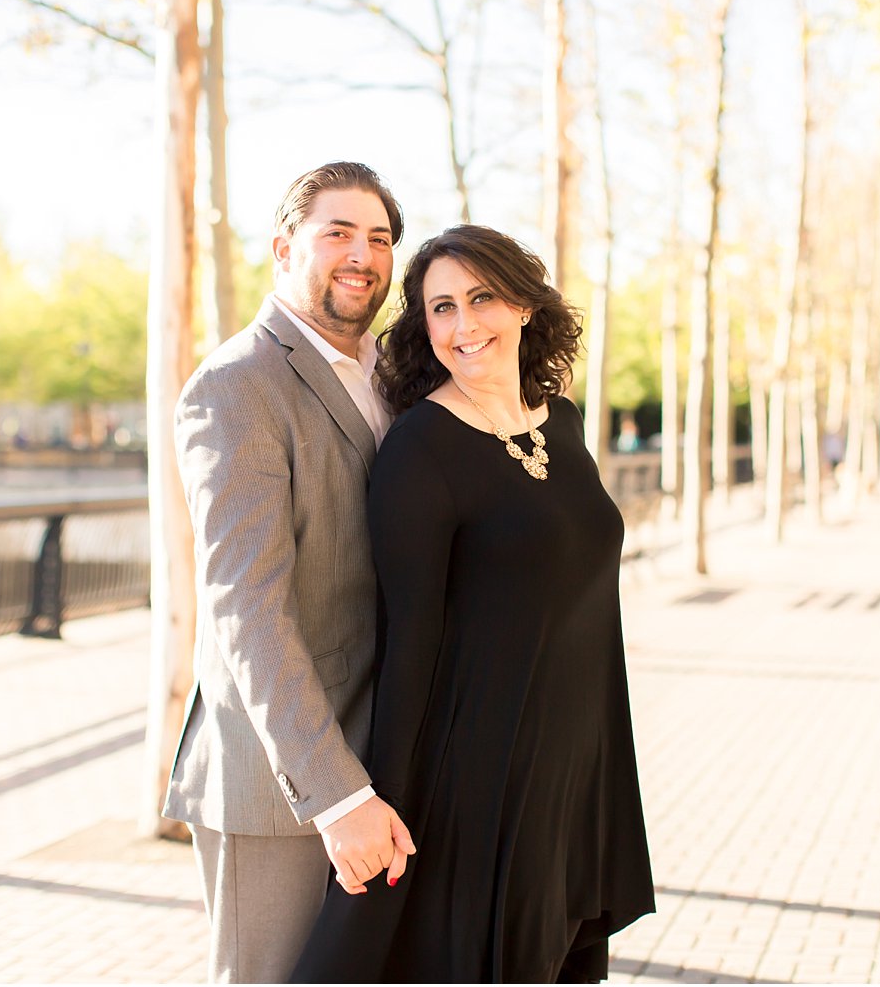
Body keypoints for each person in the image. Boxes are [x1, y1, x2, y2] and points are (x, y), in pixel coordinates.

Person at [292, 224, 656, 983]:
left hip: (580, 761)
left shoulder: (561, 418)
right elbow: (410, 638)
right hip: (483, 779)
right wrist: (381, 801)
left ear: (522, 304)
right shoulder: (421, 449)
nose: (464, 325)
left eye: (481, 297)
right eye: (442, 308)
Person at [164, 162, 417, 983]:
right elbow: (246, 611)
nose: (363, 254)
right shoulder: (237, 387)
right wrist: (336, 795)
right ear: (283, 248)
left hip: (388, 765)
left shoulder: (393, 378)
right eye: (337, 232)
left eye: (379, 238)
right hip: (283, 790)